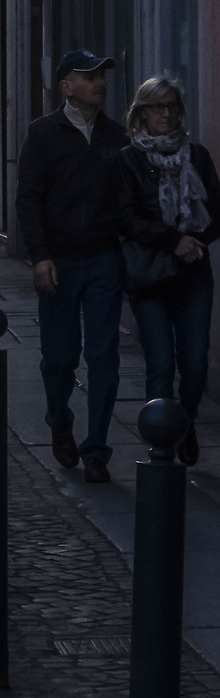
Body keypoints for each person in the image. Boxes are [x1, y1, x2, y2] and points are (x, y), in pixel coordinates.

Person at [14, 48, 127, 483]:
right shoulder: (44, 133)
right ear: (67, 86)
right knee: (59, 358)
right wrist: (39, 255)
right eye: (89, 76)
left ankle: (96, 449)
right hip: (59, 260)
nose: (99, 83)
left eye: (101, 76)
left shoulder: (116, 136)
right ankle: (59, 419)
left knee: (103, 356)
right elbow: (29, 198)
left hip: (103, 260)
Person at [115, 77, 220, 466]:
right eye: (157, 107)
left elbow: (216, 209)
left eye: (171, 106)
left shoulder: (198, 156)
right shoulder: (129, 160)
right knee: (160, 363)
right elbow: (126, 218)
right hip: (151, 275)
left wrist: (196, 240)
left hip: (193, 273)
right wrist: (173, 239)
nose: (165, 114)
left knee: (195, 363)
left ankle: (184, 422)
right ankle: (161, 444)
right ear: (141, 113)